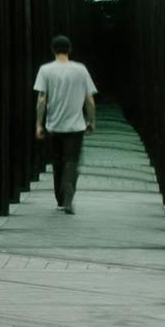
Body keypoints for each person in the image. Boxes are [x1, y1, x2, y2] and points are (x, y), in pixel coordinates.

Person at [31, 32, 99, 213]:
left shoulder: (45, 70)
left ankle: (60, 198)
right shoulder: (81, 69)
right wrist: (91, 120)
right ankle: (68, 191)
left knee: (57, 161)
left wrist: (39, 124)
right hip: (76, 126)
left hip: (54, 125)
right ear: (70, 50)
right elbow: (89, 99)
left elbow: (41, 99)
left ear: (52, 50)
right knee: (72, 161)